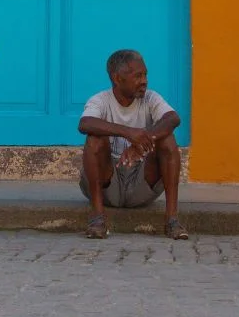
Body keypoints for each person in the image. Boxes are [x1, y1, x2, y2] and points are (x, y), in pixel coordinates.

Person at [78, 49, 188, 240]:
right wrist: (129, 133)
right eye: (138, 76)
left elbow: (173, 118)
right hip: (107, 186)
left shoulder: (151, 98)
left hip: (141, 185)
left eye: (145, 75)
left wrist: (141, 144)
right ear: (117, 78)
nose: (144, 81)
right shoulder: (100, 100)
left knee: (168, 139)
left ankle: (172, 220)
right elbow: (85, 123)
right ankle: (97, 218)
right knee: (94, 138)